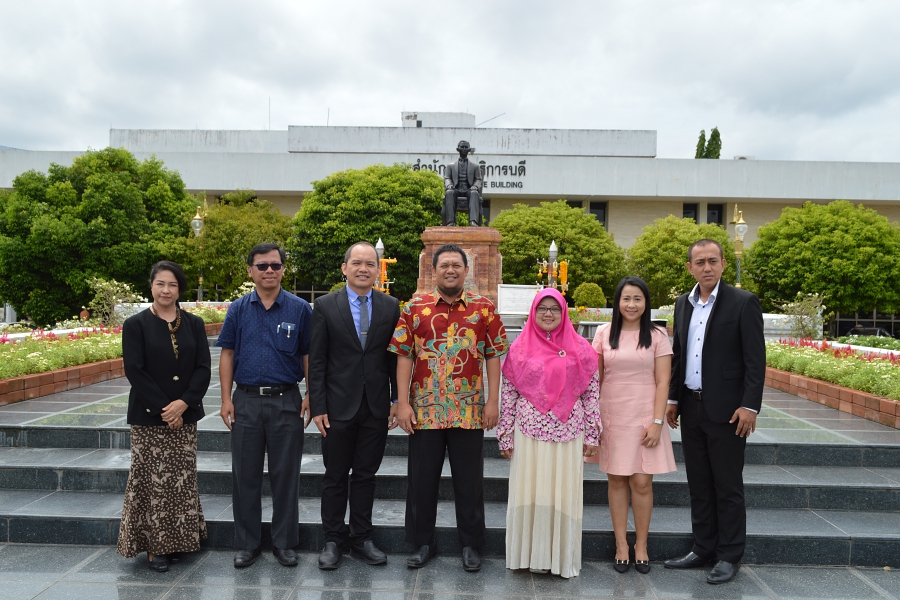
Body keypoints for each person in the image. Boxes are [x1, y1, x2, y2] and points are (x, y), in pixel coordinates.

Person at [390, 243, 508, 571]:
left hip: (469, 410)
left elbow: (494, 356)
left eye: (457, 265)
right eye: (444, 265)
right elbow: (403, 356)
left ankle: (471, 544)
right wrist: (401, 404)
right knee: (421, 481)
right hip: (424, 410)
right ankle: (421, 543)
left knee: (469, 482)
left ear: (466, 271)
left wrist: (493, 402)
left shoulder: (484, 309)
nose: (451, 270)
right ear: (434, 270)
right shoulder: (415, 308)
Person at [663, 239, 765, 585]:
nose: (707, 267)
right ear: (690, 267)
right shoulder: (683, 304)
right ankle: (703, 547)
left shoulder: (743, 302)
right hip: (691, 408)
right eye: (699, 262)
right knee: (700, 484)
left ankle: (729, 555)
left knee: (727, 485)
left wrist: (750, 406)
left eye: (712, 261)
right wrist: (674, 399)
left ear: (722, 264)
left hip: (729, 412)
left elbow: (755, 359)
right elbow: (678, 354)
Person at [217, 243, 313, 569]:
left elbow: (308, 356)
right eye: (262, 266)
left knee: (286, 476)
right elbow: (227, 353)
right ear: (250, 271)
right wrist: (225, 398)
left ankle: (284, 543)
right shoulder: (238, 309)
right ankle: (247, 544)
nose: (269, 270)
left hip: (287, 400)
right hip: (245, 401)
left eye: (275, 265)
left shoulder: (300, 309)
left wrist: (312, 393)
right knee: (245, 477)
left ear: (284, 269)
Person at [308, 241, 402, 570]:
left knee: (365, 475)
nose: (364, 268)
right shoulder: (324, 306)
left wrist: (395, 400)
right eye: (357, 263)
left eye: (370, 264)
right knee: (335, 475)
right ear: (345, 268)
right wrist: (318, 405)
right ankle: (333, 539)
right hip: (336, 407)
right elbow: (316, 361)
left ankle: (362, 537)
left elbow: (393, 359)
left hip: (375, 406)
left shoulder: (391, 306)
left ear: (378, 270)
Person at [497, 288, 600, 578]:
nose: (548, 314)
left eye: (555, 308)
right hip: (529, 433)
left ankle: (559, 558)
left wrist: (593, 433)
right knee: (530, 490)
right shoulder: (519, 347)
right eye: (542, 308)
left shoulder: (580, 348)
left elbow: (591, 393)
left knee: (561, 493)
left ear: (564, 312)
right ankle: (530, 555)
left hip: (569, 432)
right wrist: (505, 433)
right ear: (533, 312)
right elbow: (509, 393)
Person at [117, 260, 210, 572]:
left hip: (185, 417)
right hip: (148, 418)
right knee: (152, 483)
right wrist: (165, 408)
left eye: (172, 284)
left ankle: (181, 541)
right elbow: (135, 371)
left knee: (181, 482)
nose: (166, 290)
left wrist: (183, 403)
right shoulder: (136, 325)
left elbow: (202, 369)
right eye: (160, 284)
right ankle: (155, 548)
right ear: (151, 286)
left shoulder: (194, 324)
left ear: (179, 288)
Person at [589, 276, 674, 575]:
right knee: (616, 480)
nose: (632, 304)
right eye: (626, 298)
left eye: (638, 298)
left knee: (641, 482)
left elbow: (663, 380)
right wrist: (592, 421)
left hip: (644, 415)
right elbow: (594, 381)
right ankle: (621, 545)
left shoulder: (657, 335)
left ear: (646, 302)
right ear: (617, 302)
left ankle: (641, 545)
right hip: (612, 414)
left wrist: (656, 421)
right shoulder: (603, 333)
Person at [442, 140, 484, 226]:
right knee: (449, 192)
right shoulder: (450, 166)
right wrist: (449, 185)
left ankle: (473, 221)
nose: (464, 149)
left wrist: (475, 186)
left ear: (469, 149)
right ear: (458, 149)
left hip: (469, 189)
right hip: (456, 189)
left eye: (466, 147)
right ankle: (451, 222)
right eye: (462, 147)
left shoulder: (475, 166)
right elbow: (447, 178)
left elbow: (478, 179)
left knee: (474, 193)